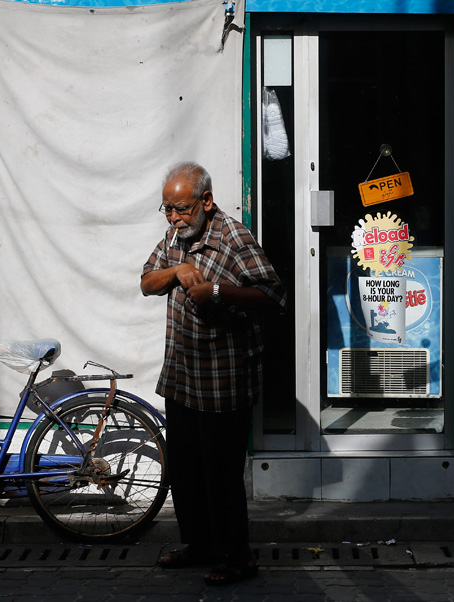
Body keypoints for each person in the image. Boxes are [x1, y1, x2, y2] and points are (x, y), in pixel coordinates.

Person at [140, 161, 286, 586]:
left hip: (224, 380)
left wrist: (218, 292)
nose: (174, 218)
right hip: (182, 376)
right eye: (167, 209)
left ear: (206, 200)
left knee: (221, 476)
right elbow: (147, 282)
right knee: (185, 472)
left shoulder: (233, 236)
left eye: (181, 209)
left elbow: (273, 293)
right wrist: (177, 271)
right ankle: (199, 545)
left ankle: (238, 558)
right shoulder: (173, 238)